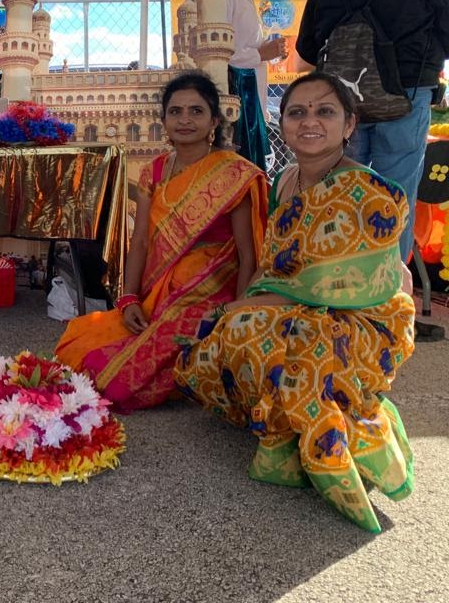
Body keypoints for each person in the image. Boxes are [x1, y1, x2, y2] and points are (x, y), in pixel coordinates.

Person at [174, 72, 415, 533]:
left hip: (359, 318)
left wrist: (250, 308)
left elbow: (337, 284)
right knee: (218, 335)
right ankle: (280, 422)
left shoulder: (365, 190)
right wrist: (245, 303)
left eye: (325, 111)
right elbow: (276, 265)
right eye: (297, 112)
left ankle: (318, 437)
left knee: (260, 331)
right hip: (295, 304)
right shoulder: (285, 181)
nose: (309, 122)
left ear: (349, 124)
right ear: (282, 123)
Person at [55, 72, 267, 411]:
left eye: (196, 111)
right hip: (160, 289)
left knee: (116, 380)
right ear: (164, 120)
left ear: (214, 120)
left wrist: (236, 320)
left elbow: (248, 255)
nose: (185, 120)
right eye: (175, 111)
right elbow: (139, 241)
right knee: (78, 344)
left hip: (212, 290)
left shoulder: (234, 174)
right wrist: (128, 299)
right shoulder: (153, 171)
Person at [296, 0, 449, 268]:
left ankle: (339, 284)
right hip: (406, 94)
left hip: (343, 101)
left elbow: (308, 47)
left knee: (342, 191)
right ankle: (389, 290)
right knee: (395, 195)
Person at [226, 0, 286, 171]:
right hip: (239, 99)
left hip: (251, 98)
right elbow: (220, 53)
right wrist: (262, 53)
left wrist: (267, 50)